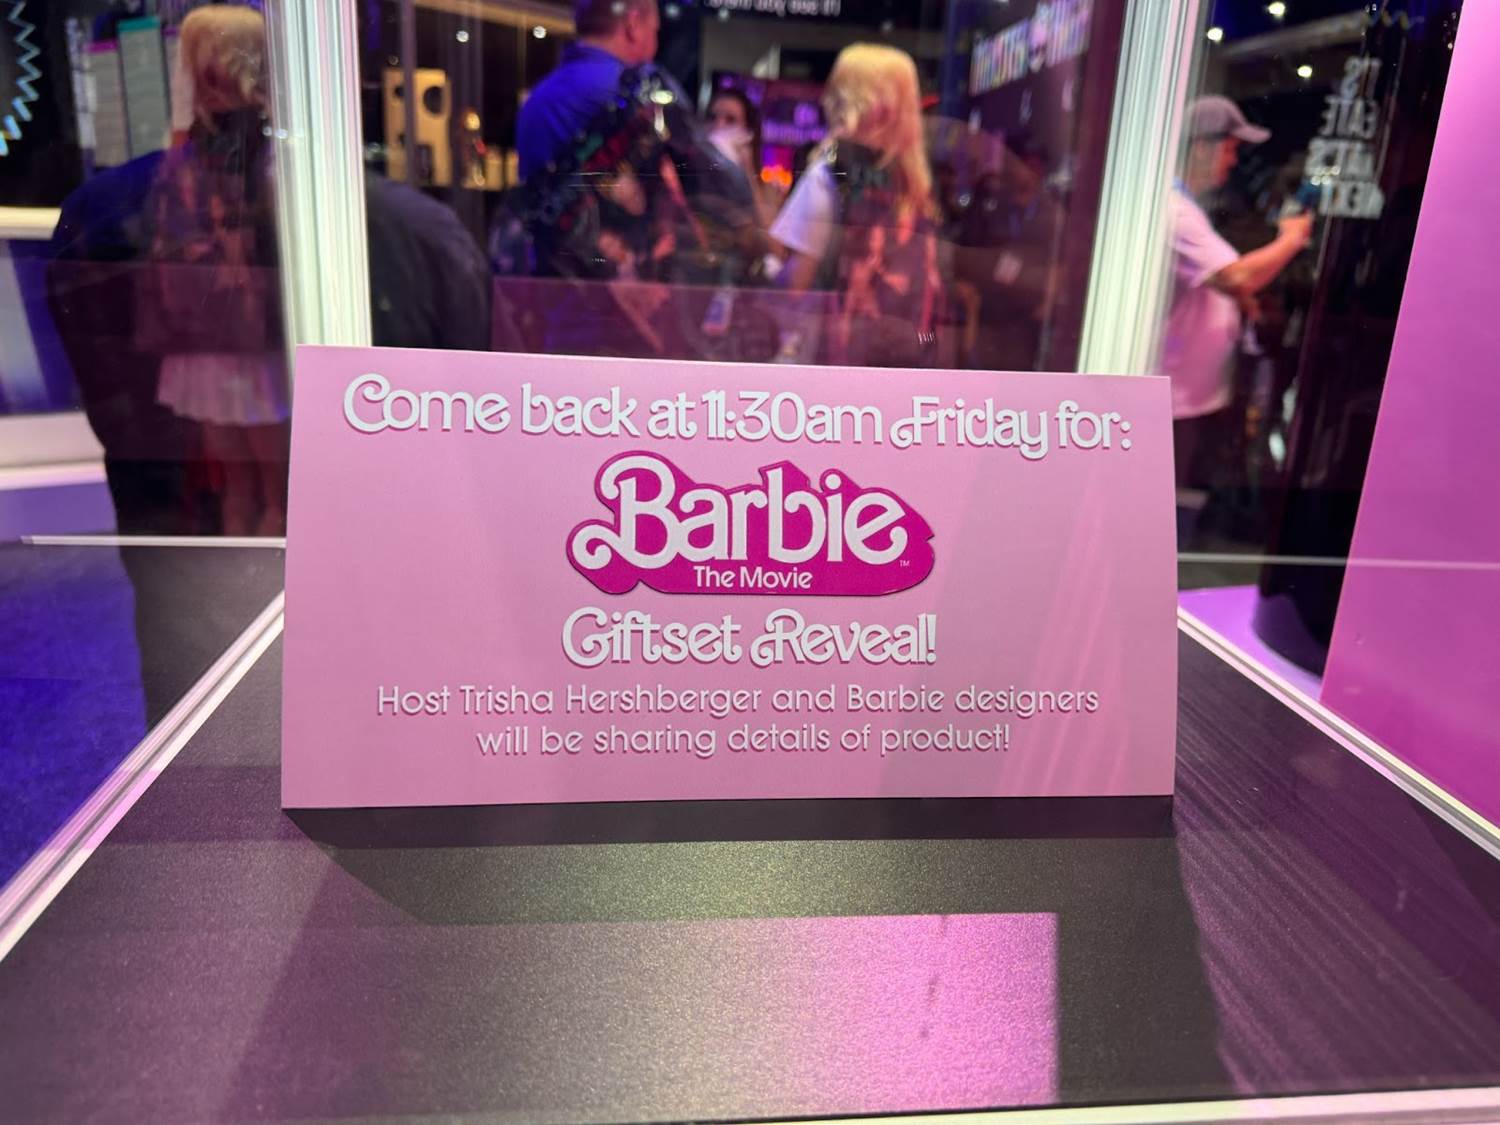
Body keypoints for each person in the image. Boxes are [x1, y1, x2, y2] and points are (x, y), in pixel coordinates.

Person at [516, 0, 756, 357]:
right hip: (637, 327)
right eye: (656, 31)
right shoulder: (646, 92)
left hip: (557, 320)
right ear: (632, 24)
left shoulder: (538, 102)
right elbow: (726, 189)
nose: (656, 43)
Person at [138, 5, 288, 536]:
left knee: (267, 488)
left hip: (244, 334)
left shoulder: (243, 151)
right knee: (250, 486)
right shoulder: (199, 154)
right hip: (222, 334)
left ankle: (264, 566)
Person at [1164, 95, 1313, 492]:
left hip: (1189, 396)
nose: (1233, 161)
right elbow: (1236, 277)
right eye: (1230, 149)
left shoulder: (1187, 206)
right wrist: (1292, 238)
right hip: (1173, 402)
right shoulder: (1173, 209)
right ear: (1201, 148)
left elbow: (1220, 281)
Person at [771, 43, 942, 368]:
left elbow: (797, 283)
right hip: (904, 359)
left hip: (836, 356)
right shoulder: (915, 184)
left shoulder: (830, 172)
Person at [707, 87, 779, 230]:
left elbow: (767, 229)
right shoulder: (694, 176)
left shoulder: (766, 187)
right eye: (712, 117)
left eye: (730, 120)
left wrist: (748, 170)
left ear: (747, 134)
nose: (718, 125)